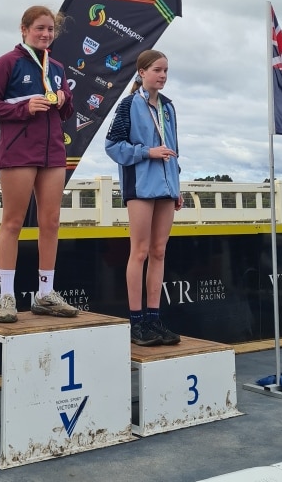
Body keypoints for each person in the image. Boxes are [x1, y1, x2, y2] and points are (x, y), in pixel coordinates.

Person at [0, 6, 78, 323]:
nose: (46, 34)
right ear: (24, 29)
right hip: (18, 151)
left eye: (50, 29)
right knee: (13, 222)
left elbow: (66, 113)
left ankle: (45, 293)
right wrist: (23, 107)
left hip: (52, 152)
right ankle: (6, 296)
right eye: (39, 28)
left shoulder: (58, 67)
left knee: (50, 222)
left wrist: (65, 100)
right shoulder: (7, 63)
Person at [105, 50, 183, 346]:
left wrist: (177, 185)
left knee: (159, 251)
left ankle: (154, 318)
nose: (162, 75)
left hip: (166, 187)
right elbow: (113, 146)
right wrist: (146, 152)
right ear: (141, 72)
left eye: (166, 71)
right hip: (140, 186)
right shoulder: (128, 105)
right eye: (157, 70)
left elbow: (174, 147)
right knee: (139, 251)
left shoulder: (169, 108)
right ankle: (136, 321)